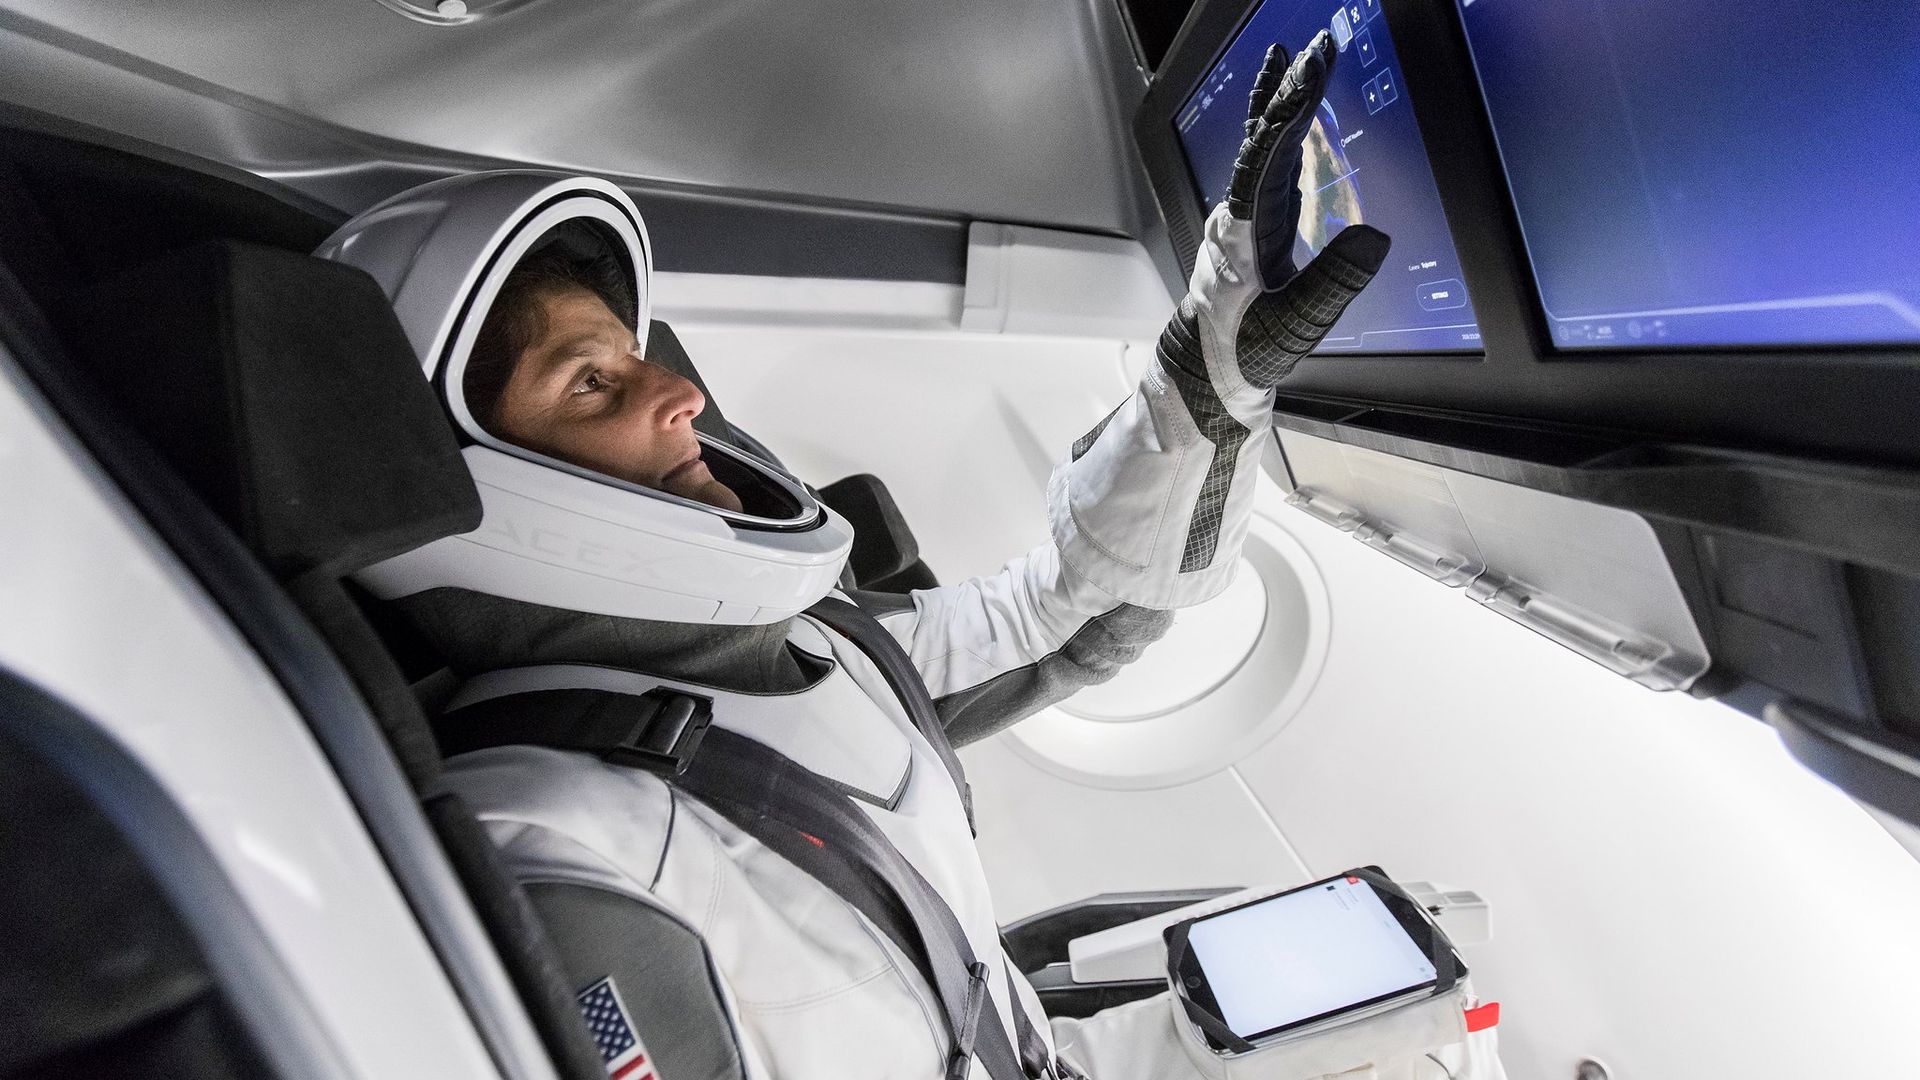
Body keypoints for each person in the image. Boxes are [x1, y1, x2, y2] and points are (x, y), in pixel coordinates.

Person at [323, 36, 1501, 1080]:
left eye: (636, 355)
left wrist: (1211, 373)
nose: (681, 394)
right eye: (594, 383)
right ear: (463, 482)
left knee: (1447, 978)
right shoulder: (553, 857)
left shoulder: (802, 650)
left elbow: (1073, 612)